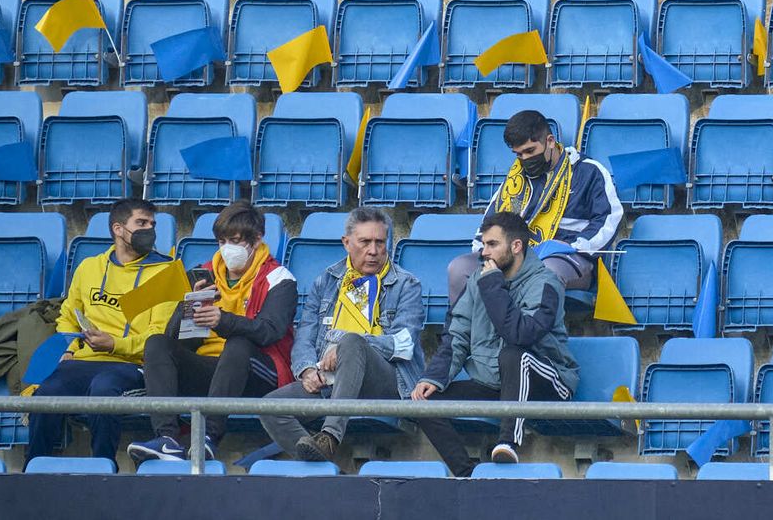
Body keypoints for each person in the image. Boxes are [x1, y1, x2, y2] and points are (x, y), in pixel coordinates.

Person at [129, 202, 297, 464]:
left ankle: (208, 437)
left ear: (257, 239)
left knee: (239, 344)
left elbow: (269, 332)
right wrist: (190, 305)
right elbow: (176, 339)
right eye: (222, 241)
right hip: (211, 371)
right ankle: (167, 439)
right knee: (158, 344)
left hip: (259, 373)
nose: (227, 248)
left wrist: (222, 320)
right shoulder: (204, 272)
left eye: (236, 241)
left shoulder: (280, 278)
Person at [413, 211, 579, 475]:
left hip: (548, 380)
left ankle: (508, 442)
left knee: (515, 355)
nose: (484, 252)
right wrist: (434, 378)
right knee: (422, 402)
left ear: (516, 246)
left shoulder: (546, 282)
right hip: (497, 384)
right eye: (483, 244)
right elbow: (457, 333)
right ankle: (467, 473)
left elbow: (521, 335)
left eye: (492, 245)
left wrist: (493, 286)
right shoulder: (480, 280)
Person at [259, 207, 425, 464]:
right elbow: (304, 336)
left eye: (380, 242)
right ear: (347, 243)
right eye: (365, 242)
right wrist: (306, 370)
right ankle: (322, 468)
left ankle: (329, 437)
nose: (373, 250)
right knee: (270, 408)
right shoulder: (325, 281)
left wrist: (347, 344)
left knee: (352, 341)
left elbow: (404, 344)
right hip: (330, 380)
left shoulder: (406, 284)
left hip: (385, 380)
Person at [28, 199, 176, 462]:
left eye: (152, 224)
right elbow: (69, 317)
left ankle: (103, 467)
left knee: (103, 389)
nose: (149, 230)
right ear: (118, 229)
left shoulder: (167, 273)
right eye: (141, 223)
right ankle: (34, 468)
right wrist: (70, 349)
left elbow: (159, 338)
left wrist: (114, 345)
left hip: (130, 364)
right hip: (82, 361)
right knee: (46, 393)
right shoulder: (89, 268)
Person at [447, 110, 622, 302]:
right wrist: (486, 252)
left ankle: (530, 331)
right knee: (459, 268)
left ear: (550, 141)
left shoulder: (589, 171)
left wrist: (575, 245)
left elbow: (609, 218)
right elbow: (492, 223)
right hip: (515, 253)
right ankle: (461, 332)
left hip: (568, 256)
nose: (524, 159)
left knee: (543, 272)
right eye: (518, 154)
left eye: (530, 151)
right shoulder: (516, 179)